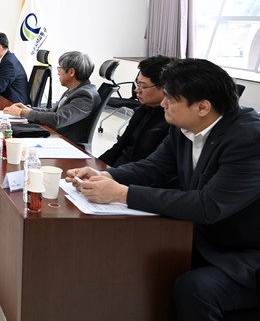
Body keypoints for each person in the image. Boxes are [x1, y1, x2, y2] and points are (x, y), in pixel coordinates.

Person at [66, 59, 260, 320]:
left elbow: (209, 205)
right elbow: (153, 167)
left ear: (202, 107)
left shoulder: (249, 138)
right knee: (133, 256)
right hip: (206, 237)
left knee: (195, 289)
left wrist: (122, 194)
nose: (163, 104)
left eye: (170, 98)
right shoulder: (184, 126)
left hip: (244, 253)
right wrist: (105, 175)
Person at [4, 51, 99, 146]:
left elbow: (58, 119)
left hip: (67, 144)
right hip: (57, 138)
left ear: (71, 72)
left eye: (60, 68)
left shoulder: (85, 95)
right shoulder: (75, 89)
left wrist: (24, 113)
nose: (58, 72)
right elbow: (53, 111)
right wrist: (29, 109)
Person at [98, 55, 173, 167]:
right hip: (118, 170)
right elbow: (119, 147)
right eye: (137, 84)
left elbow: (153, 167)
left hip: (134, 174)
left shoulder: (171, 122)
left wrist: (111, 174)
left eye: (143, 86)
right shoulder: (142, 111)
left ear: (164, 88)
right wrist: (96, 165)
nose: (137, 90)